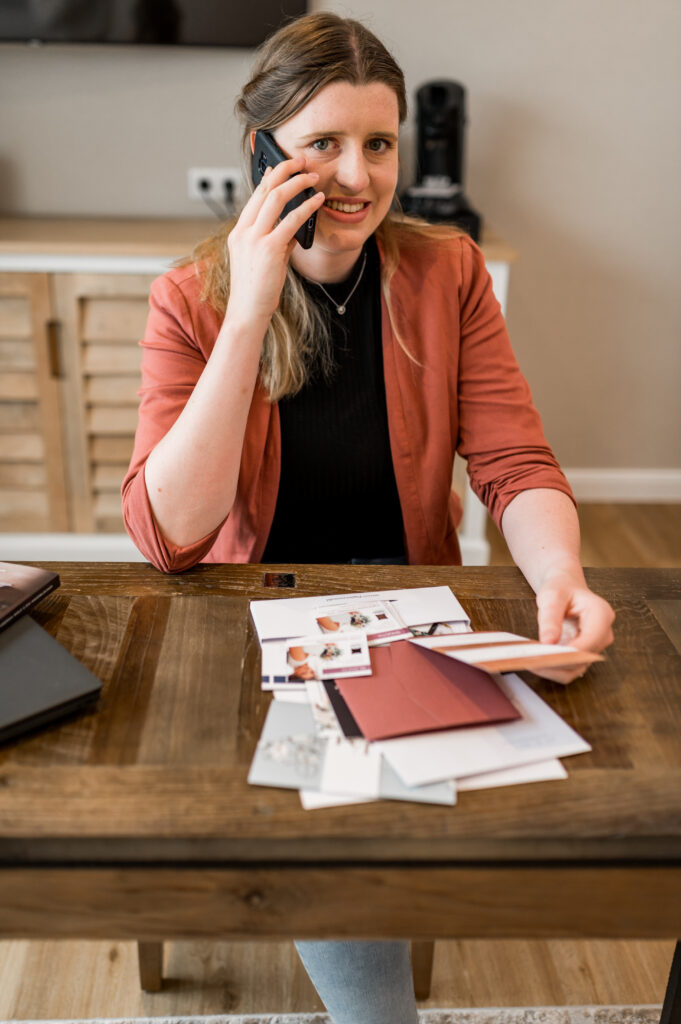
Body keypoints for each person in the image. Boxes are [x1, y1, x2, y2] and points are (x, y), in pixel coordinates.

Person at [122, 12, 614, 1023]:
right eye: (322, 145)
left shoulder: (448, 273)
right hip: (241, 634)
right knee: (335, 833)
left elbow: (515, 462)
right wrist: (252, 301)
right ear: (261, 153)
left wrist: (559, 572)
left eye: (379, 143)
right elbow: (169, 536)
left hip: (401, 614)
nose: (358, 174)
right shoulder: (190, 300)